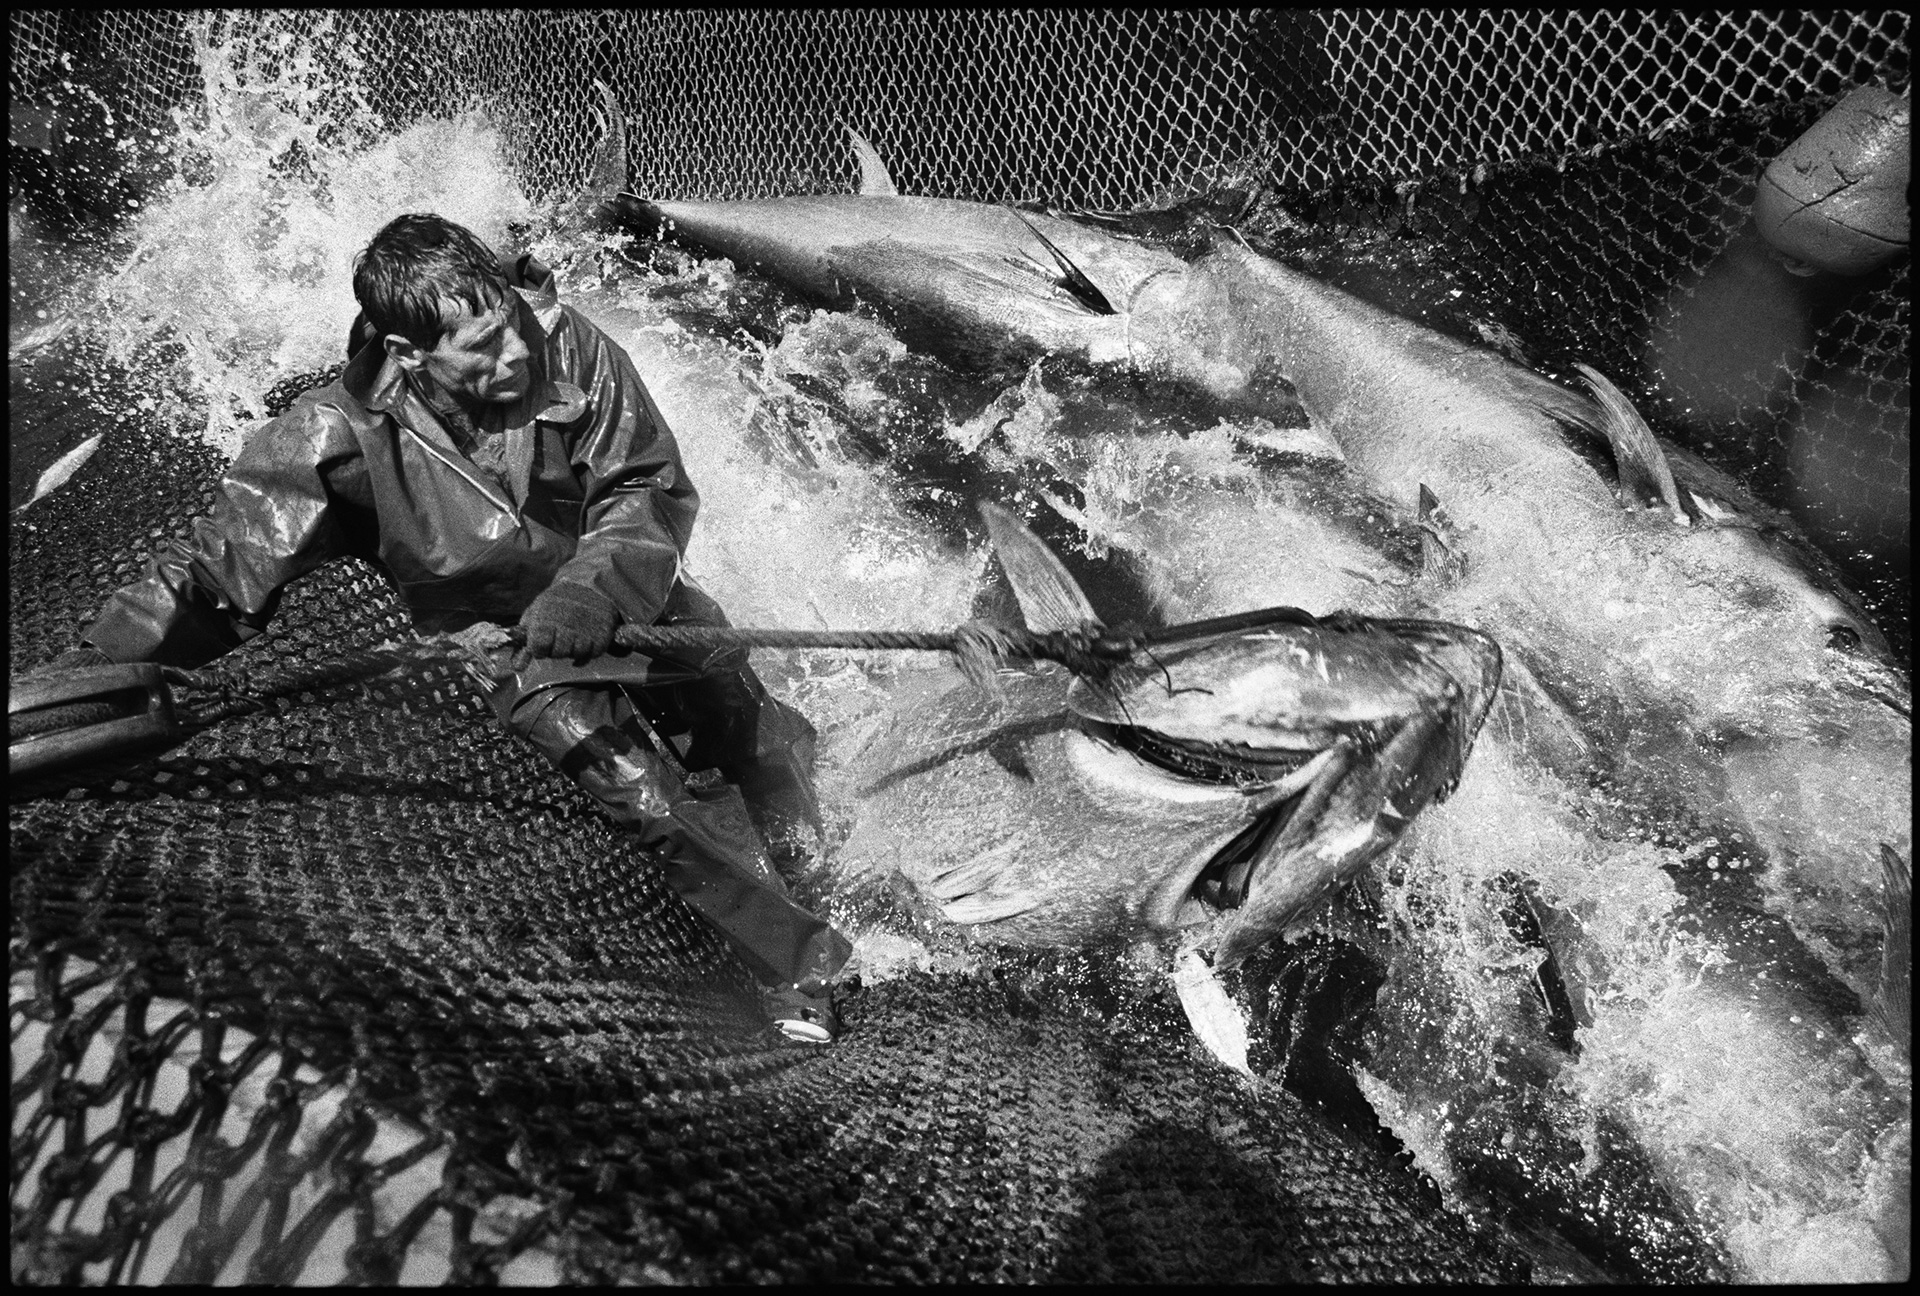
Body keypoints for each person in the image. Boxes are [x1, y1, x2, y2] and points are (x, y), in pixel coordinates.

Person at [40, 213, 852, 1042]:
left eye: (510, 329)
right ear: (407, 354)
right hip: (509, 645)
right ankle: (803, 962)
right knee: (643, 795)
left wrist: (591, 591)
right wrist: (82, 677)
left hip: (636, 594)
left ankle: (813, 858)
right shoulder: (332, 435)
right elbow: (211, 577)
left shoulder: (570, 343)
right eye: (482, 349)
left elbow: (646, 485)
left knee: (748, 734)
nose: (515, 358)